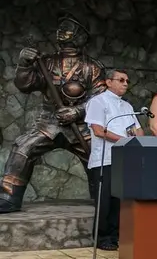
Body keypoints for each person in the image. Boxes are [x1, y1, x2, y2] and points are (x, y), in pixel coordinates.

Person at [0, 15, 106, 213]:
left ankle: (103, 199)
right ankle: (8, 197)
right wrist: (24, 65)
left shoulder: (92, 67)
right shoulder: (47, 62)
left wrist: (77, 111)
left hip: (81, 127)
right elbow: (25, 85)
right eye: (61, 28)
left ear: (80, 36)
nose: (62, 31)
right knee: (23, 148)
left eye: (69, 28)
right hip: (49, 123)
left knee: (98, 157)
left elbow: (100, 98)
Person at [84, 69, 143, 250]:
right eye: (121, 80)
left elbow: (137, 129)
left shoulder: (127, 106)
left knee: (119, 201)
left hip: (124, 159)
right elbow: (98, 130)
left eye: (127, 81)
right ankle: (102, 238)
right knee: (105, 201)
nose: (125, 84)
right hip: (105, 159)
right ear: (108, 82)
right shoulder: (97, 102)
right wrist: (125, 140)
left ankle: (116, 235)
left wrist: (138, 140)